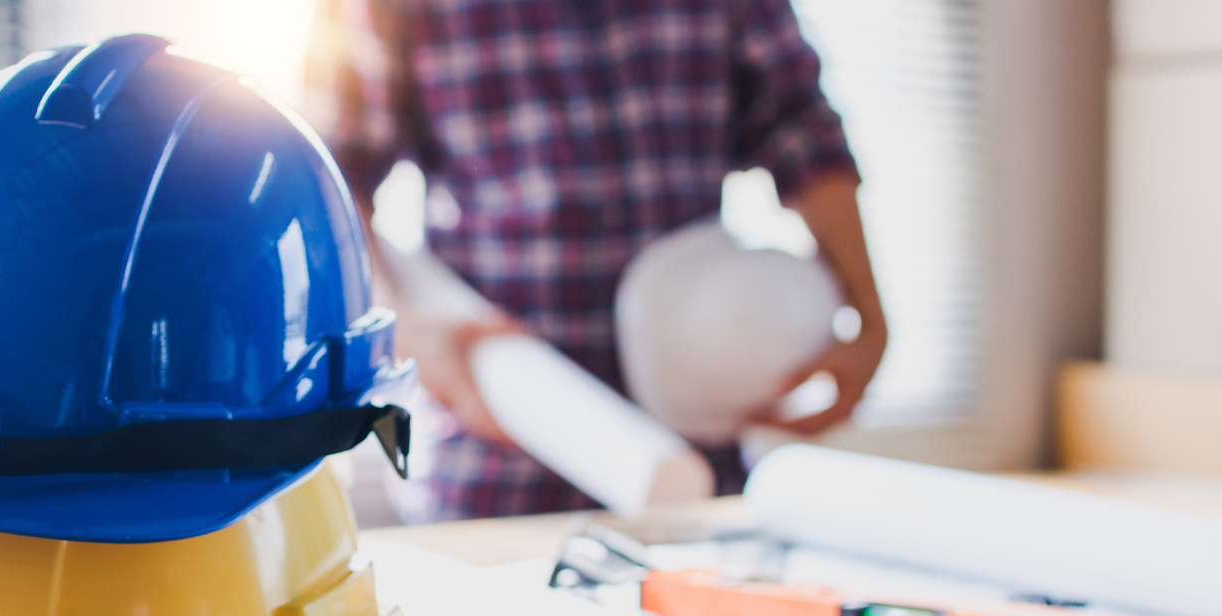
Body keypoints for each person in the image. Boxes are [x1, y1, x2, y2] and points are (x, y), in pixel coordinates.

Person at [303, 0, 886, 520]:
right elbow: (328, 175)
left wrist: (865, 309)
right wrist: (404, 324)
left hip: (693, 454)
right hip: (495, 468)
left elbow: (800, 127)